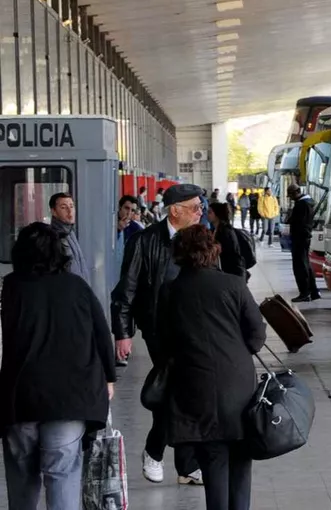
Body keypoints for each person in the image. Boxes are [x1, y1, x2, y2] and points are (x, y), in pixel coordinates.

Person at [0, 222, 116, 510]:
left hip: (21, 398)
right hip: (69, 398)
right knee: (62, 473)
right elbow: (102, 333)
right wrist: (108, 378)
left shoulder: (12, 287)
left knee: (21, 478)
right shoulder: (76, 286)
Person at [160, 225, 265, 510]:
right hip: (238, 384)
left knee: (213, 458)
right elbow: (257, 335)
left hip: (195, 385)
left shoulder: (171, 291)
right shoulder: (234, 284)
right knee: (241, 457)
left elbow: (164, 340)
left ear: (179, 254)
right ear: (213, 250)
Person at [110, 183, 204, 486]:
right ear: (175, 211)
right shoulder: (144, 241)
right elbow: (126, 290)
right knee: (175, 388)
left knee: (185, 392)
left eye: (201, 207)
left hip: (195, 329)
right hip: (159, 329)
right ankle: (157, 452)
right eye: (195, 207)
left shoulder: (200, 238)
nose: (200, 212)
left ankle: (183, 465)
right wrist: (123, 333)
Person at [49, 193, 90, 286]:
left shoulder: (70, 232)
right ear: (53, 211)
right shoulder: (55, 237)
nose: (69, 211)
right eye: (63, 207)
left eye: (71, 206)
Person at [288, 185, 320, 302]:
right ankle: (313, 291)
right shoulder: (307, 203)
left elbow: (299, 222)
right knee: (305, 264)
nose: (291, 198)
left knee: (300, 266)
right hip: (304, 237)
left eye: (291, 195)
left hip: (300, 238)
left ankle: (304, 292)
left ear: (297, 192)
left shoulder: (302, 205)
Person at [208, 202, 246, 278]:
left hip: (232, 272)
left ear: (217, 214)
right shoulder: (215, 229)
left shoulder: (225, 232)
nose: (207, 214)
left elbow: (228, 253)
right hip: (225, 270)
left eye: (210, 212)